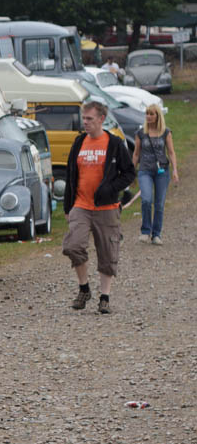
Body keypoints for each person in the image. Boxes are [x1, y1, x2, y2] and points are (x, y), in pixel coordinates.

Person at [61, 96, 136, 314]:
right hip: (81, 206)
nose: (85, 122)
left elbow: (129, 173)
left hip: (107, 209)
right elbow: (70, 175)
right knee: (72, 246)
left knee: (107, 253)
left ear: (101, 119)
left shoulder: (114, 144)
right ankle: (84, 288)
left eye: (89, 118)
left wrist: (112, 188)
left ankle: (105, 297)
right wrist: (68, 207)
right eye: (83, 118)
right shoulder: (78, 143)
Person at [133, 105, 179, 244]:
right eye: (147, 114)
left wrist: (175, 170)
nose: (148, 116)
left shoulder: (166, 132)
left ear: (158, 116)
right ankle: (145, 231)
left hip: (162, 171)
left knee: (159, 204)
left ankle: (156, 234)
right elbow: (136, 154)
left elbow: (171, 152)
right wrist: (130, 172)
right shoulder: (140, 133)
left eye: (151, 114)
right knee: (146, 200)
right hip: (145, 170)